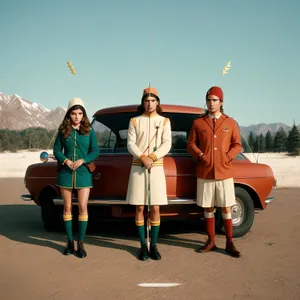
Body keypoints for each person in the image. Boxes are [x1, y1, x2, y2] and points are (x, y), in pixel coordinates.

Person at [187, 86, 242, 258]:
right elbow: (190, 144)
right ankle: (210, 241)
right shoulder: (198, 123)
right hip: (205, 171)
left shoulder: (230, 123)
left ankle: (229, 242)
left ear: (221, 102)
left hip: (224, 171)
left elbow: (237, 145)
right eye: (209, 100)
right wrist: (200, 155)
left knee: (226, 207)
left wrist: (228, 157)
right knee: (208, 208)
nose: (211, 103)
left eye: (215, 100)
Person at [126, 86, 172, 261]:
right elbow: (131, 144)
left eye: (153, 101)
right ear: (142, 102)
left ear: (158, 102)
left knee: (155, 207)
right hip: (138, 167)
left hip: (157, 166)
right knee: (139, 206)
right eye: (146, 100)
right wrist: (143, 157)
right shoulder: (134, 121)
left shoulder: (165, 121)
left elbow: (166, 144)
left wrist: (152, 157)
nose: (150, 103)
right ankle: (142, 246)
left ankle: (153, 245)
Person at [53, 98, 99, 258]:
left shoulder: (89, 130)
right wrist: (65, 160)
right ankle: (69, 242)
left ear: (84, 114)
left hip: (83, 173)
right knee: (67, 208)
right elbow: (56, 150)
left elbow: (95, 151)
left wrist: (82, 160)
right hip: (66, 174)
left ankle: (81, 243)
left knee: (83, 207)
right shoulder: (63, 130)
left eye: (80, 113)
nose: (77, 116)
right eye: (73, 113)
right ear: (69, 114)